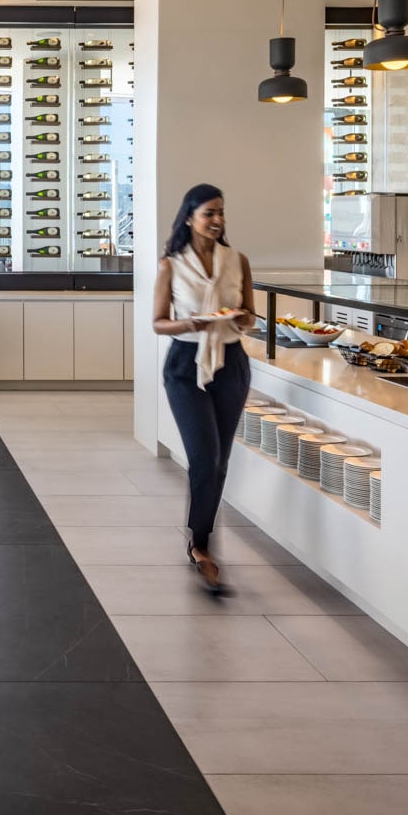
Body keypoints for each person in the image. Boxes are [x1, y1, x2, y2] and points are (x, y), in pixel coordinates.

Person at [151, 184, 254, 591]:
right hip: (184, 364)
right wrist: (193, 323)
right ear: (189, 216)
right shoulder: (170, 266)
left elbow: (249, 317)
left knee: (220, 461)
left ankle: (200, 539)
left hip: (231, 363)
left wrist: (237, 317)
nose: (217, 221)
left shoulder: (238, 260)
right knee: (204, 458)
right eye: (209, 213)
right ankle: (201, 547)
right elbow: (158, 322)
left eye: (221, 213)